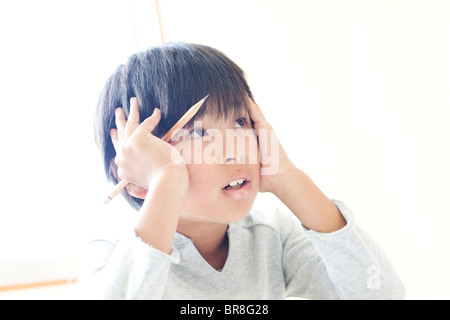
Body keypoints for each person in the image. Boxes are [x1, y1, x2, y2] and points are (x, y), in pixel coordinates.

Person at [85, 42, 405, 299]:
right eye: (198, 132)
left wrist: (287, 179)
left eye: (240, 122)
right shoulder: (113, 252)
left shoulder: (272, 236)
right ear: (133, 175)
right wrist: (165, 180)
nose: (234, 147)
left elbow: (382, 294)